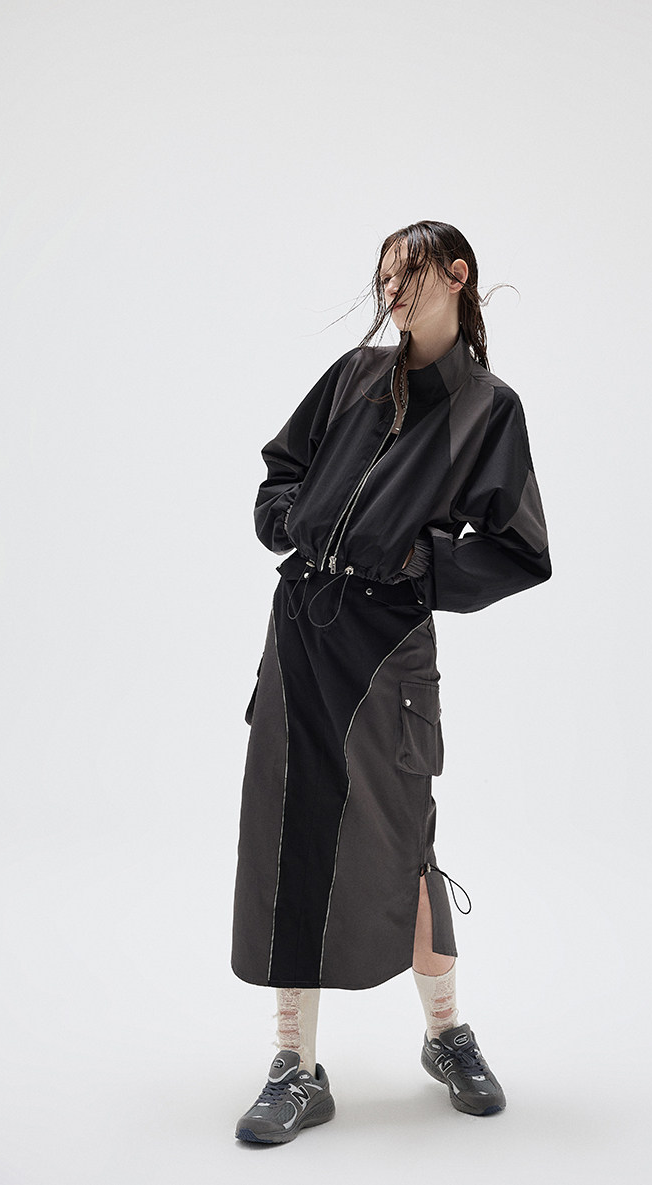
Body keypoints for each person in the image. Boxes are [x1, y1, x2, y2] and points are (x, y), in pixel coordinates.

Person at [231, 220, 551, 1144]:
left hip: (388, 650)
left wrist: (419, 566)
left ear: (456, 274)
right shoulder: (354, 376)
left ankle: (446, 1034)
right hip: (301, 632)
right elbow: (280, 472)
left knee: (405, 841)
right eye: (383, 280)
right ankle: (295, 1066)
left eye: (407, 274)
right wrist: (292, 520)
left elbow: (521, 549)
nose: (392, 293)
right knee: (292, 832)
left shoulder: (489, 410)